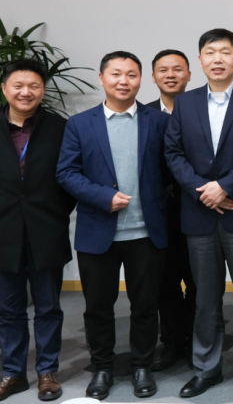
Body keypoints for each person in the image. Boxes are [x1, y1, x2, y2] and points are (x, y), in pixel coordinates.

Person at [164, 29, 233, 399]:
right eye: (210, 52)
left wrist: (226, 187)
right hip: (199, 215)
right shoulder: (185, 103)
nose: (217, 59)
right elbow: (173, 153)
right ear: (200, 60)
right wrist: (204, 191)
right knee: (204, 298)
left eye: (225, 52)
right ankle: (206, 368)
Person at [56, 52, 170, 399]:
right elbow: (66, 173)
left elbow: (171, 169)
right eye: (116, 74)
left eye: (131, 74)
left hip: (146, 232)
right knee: (98, 307)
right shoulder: (80, 123)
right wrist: (103, 196)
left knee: (145, 305)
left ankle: (142, 366)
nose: (124, 81)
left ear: (141, 80)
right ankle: (103, 367)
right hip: (98, 230)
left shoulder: (157, 121)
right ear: (102, 78)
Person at [0, 59, 76, 404]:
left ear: (42, 90)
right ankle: (13, 373)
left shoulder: (60, 128)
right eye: (18, 85)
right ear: (5, 89)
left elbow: (69, 180)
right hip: (2, 232)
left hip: (47, 230)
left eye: (33, 85)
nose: (25, 92)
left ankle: (47, 372)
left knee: (48, 308)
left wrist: (53, 213)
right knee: (8, 310)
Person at [147, 49, 196, 371]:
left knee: (198, 281)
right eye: (163, 70)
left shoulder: (201, 110)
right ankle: (172, 341)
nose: (170, 75)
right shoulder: (145, 115)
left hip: (198, 209)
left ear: (189, 75)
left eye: (177, 69)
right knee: (164, 282)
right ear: (153, 77)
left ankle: (196, 341)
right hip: (159, 213)